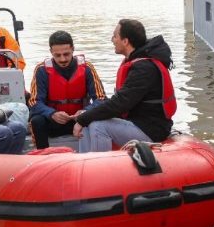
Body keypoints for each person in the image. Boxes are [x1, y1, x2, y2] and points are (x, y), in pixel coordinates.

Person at [73, 19, 175, 152]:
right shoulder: (136, 62)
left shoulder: (144, 68)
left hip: (150, 130)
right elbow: (119, 100)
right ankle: (85, 164)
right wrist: (87, 114)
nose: (112, 39)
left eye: (115, 36)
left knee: (97, 125)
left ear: (125, 41)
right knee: (88, 120)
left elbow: (120, 103)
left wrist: (83, 118)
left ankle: (99, 169)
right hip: (137, 123)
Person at [28, 31, 106, 149]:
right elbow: (34, 102)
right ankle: (43, 154)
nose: (62, 59)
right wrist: (52, 114)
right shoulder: (41, 70)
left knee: (98, 118)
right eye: (57, 55)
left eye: (66, 54)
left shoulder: (87, 68)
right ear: (51, 52)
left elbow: (101, 99)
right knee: (37, 121)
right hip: (54, 121)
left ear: (73, 50)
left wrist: (85, 112)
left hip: (80, 120)